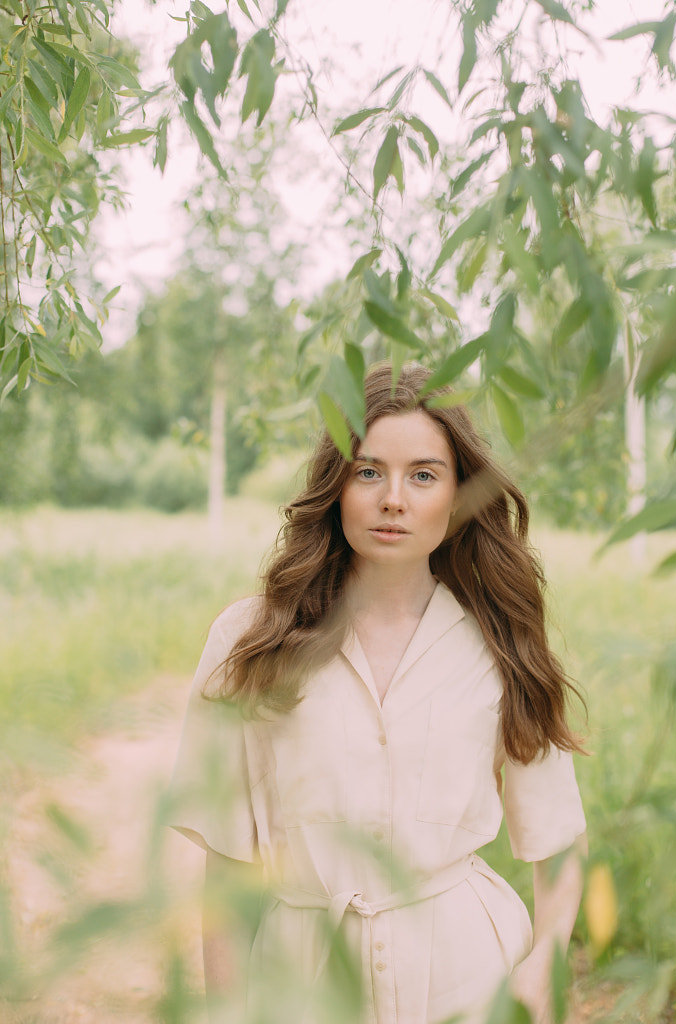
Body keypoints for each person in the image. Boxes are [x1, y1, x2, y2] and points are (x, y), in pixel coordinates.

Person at [167, 362, 587, 1024]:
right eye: (368, 471)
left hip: (470, 976)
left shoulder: (501, 640)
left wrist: (545, 960)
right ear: (335, 487)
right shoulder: (249, 641)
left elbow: (556, 835)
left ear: (458, 494)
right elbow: (226, 866)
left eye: (423, 474)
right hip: (301, 984)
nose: (394, 497)